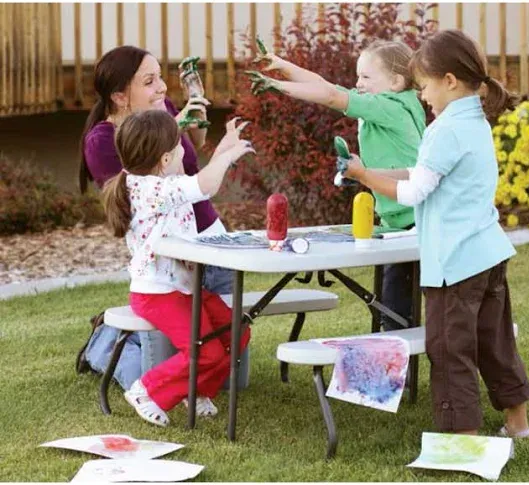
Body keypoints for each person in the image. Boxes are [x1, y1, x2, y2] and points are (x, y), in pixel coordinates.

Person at [343, 29, 529, 438]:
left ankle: (462, 441)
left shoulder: (444, 130)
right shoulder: (474, 120)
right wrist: (369, 173)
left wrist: (363, 176)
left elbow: (413, 192)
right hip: (488, 254)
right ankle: (518, 425)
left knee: (450, 351)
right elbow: (424, 175)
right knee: (493, 344)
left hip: (456, 265)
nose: (422, 95)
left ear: (449, 80)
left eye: (425, 85)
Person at [78, 46, 238, 389]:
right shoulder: (102, 141)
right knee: (148, 374)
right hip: (165, 266)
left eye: (160, 77)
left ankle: (126, 339)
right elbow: (134, 196)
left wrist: (194, 127)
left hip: (209, 241)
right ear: (121, 96)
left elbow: (190, 160)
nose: (163, 88)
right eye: (150, 81)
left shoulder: (162, 109)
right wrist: (168, 131)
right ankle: (104, 344)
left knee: (230, 380)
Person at [252, 39, 425, 332]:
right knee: (393, 306)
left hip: (412, 225)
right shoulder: (388, 103)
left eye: (367, 77)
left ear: (396, 81)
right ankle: (395, 360)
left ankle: (397, 366)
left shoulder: (390, 106)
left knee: (396, 314)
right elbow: (324, 85)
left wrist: (278, 86)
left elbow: (331, 96)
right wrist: (282, 66)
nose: (358, 83)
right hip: (400, 223)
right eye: (358, 76)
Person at [103, 109, 254, 426]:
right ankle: (147, 390)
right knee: (208, 352)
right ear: (165, 159)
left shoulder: (163, 183)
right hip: (157, 293)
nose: (186, 148)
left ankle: (195, 392)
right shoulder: (148, 191)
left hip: (184, 288)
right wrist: (226, 159)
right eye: (181, 144)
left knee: (237, 332)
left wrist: (225, 144)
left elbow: (199, 182)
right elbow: (206, 185)